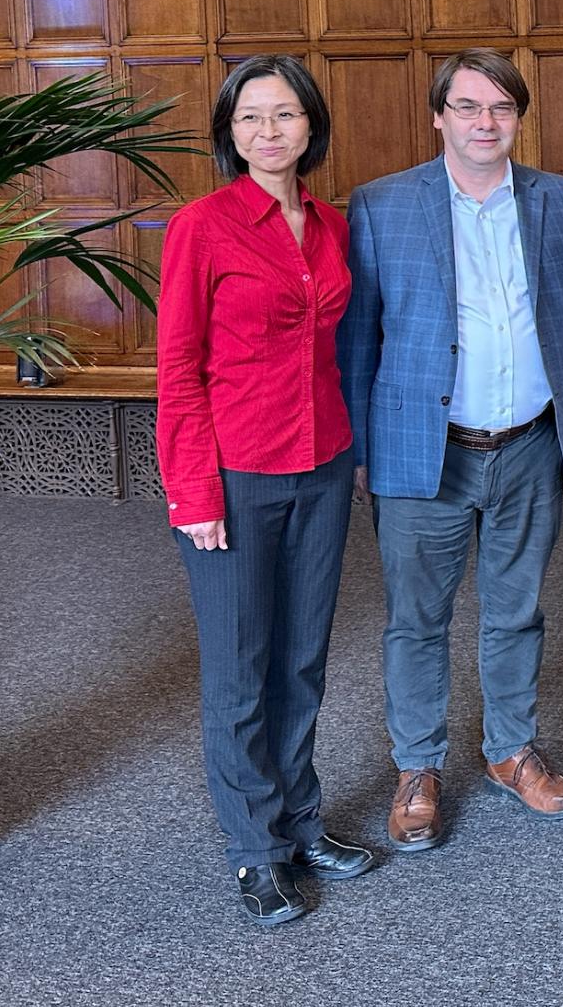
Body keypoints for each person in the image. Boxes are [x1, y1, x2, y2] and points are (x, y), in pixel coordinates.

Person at [336, 48, 563, 852]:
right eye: (467, 107)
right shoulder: (383, 205)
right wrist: (359, 449)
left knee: (516, 610)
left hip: (529, 443)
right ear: (439, 116)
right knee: (416, 620)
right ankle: (417, 766)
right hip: (423, 448)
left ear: (518, 117)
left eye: (500, 108)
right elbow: (359, 338)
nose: (484, 122)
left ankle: (510, 752)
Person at [157, 54, 375, 925]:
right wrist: (193, 495)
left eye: (284, 116)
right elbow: (178, 370)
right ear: (229, 133)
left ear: (311, 126)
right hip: (234, 475)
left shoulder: (330, 223)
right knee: (242, 671)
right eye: (250, 118)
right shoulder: (203, 227)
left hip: (321, 464)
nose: (268, 132)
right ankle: (255, 850)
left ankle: (299, 821)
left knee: (301, 661)